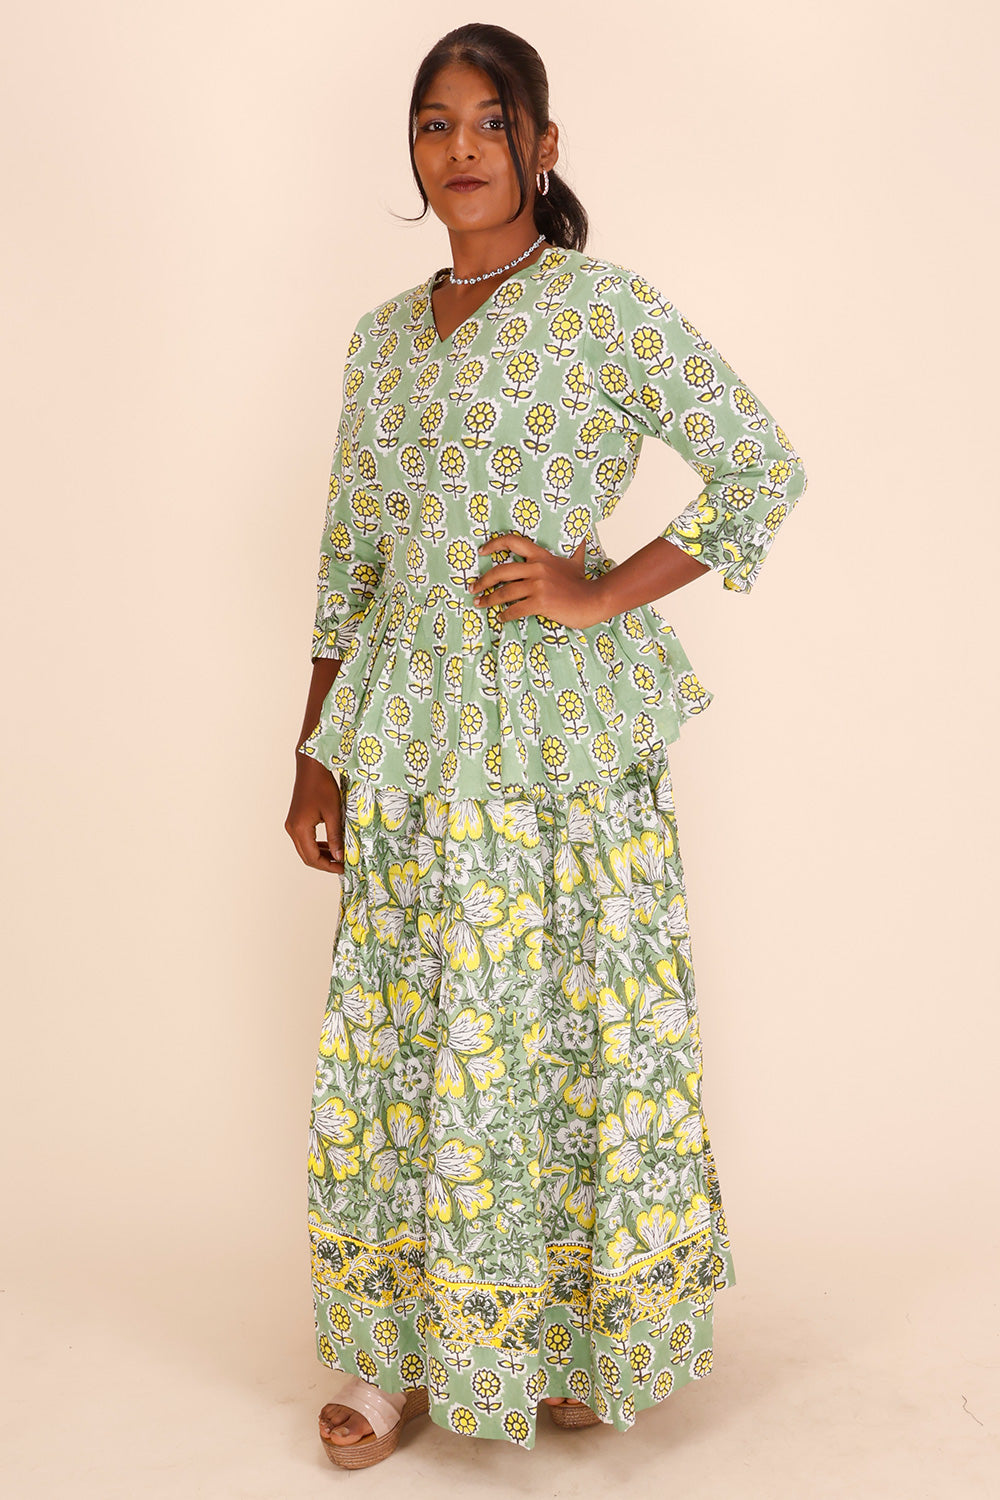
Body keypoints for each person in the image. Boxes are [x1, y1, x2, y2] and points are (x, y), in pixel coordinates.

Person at [285, 21, 807, 1467]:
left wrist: (598, 589)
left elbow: (761, 466)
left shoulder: (598, 306)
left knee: (560, 1037)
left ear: (542, 147)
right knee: (414, 1040)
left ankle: (572, 1338)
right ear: (413, 151)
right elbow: (348, 559)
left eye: (490, 121)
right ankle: (399, 1355)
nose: (461, 147)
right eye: (435, 122)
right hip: (410, 735)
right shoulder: (380, 341)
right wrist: (315, 749)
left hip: (560, 741)